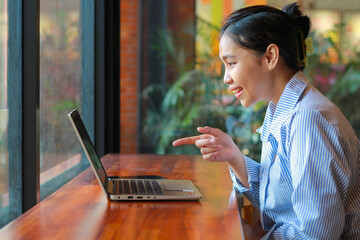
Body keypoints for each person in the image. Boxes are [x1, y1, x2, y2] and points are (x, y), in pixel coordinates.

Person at [172, 2, 360, 239]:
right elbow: (280, 204)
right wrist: (234, 157)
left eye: (231, 63)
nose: (226, 78)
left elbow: (315, 234)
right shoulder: (283, 108)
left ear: (270, 56)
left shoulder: (307, 119)